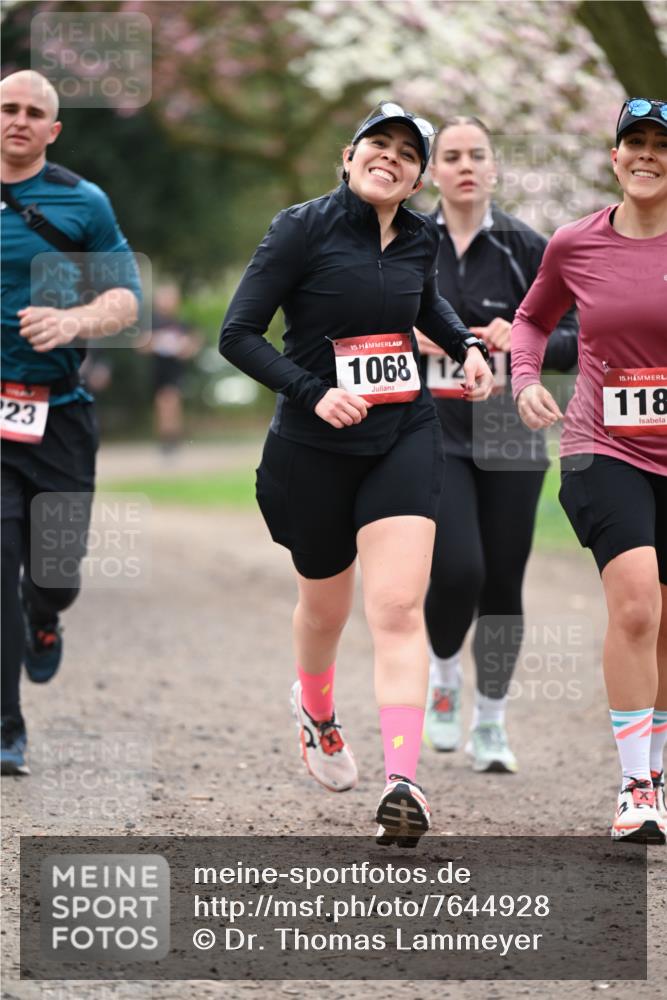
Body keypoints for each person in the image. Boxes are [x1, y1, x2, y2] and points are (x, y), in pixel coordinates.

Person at [220, 102, 494, 845]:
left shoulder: (419, 234)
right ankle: (315, 711)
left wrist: (464, 343)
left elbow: (423, 303)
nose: (393, 158)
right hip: (310, 451)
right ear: (349, 155)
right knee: (324, 609)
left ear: (416, 176)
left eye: (409, 153)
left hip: (403, 432)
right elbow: (237, 335)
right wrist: (313, 391)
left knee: (398, 608)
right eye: (380, 144)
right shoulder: (299, 228)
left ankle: (402, 780)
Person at [512, 97, 667, 844]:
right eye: (632, 142)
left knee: (665, 625)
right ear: (612, 157)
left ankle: (658, 774)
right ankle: (635, 788)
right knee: (636, 606)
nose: (645, 155)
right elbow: (532, 318)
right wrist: (524, 379)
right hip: (603, 446)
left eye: (659, 145)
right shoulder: (575, 243)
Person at [414, 116, 578, 771]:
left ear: (493, 167)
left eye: (475, 155)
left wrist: (523, 338)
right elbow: (362, 323)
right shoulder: (405, 239)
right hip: (428, 428)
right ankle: (443, 677)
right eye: (449, 156)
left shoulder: (528, 247)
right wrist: (413, 336)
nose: (463, 166)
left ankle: (491, 722)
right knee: (458, 569)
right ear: (430, 171)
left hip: (508, 429)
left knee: (503, 581)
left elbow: (579, 333)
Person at [1, 71, 141, 775]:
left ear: (53, 130)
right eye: (8, 108)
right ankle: (5, 728)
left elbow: (125, 298)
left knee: (53, 573)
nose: (19, 120)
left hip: (58, 416)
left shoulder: (83, 203)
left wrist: (74, 319)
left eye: (34, 113)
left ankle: (46, 614)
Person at [139, 282, 201, 454]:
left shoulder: (182, 323)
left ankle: (171, 439)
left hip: (175, 369)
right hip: (158, 368)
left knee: (171, 401)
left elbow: (193, 344)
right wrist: (157, 342)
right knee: (163, 404)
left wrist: (184, 347)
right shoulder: (152, 322)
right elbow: (140, 344)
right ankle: (167, 438)